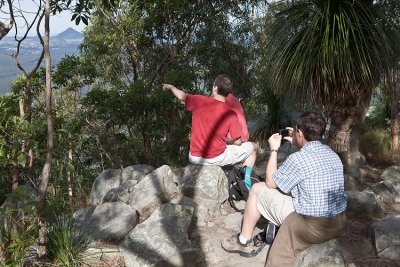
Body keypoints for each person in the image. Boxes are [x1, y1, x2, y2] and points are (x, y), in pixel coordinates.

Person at [221, 111, 347, 267]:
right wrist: (298, 143)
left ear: (299, 133)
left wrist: (274, 150)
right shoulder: (332, 154)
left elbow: (270, 183)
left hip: (313, 227)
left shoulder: (299, 158)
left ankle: (243, 240)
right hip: (339, 222)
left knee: (257, 189)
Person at [162, 74, 257, 168]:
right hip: (215, 158)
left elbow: (182, 96)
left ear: (215, 88)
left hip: (194, 157)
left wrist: (172, 88)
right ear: (229, 92)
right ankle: (246, 180)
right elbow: (238, 142)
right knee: (253, 147)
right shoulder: (230, 113)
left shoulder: (198, 101)